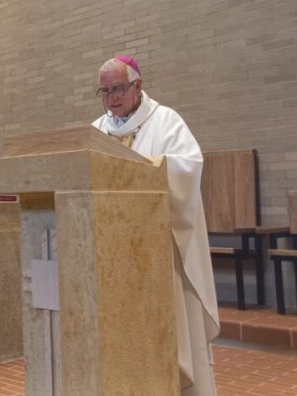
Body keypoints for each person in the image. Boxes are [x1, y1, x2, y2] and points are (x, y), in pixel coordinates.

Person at [91, 56, 219, 395]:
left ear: (138, 86)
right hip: (113, 255)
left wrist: (139, 167)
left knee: (169, 333)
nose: (111, 98)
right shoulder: (96, 131)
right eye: (104, 91)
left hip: (160, 252)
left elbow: (188, 166)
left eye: (118, 89)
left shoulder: (166, 122)